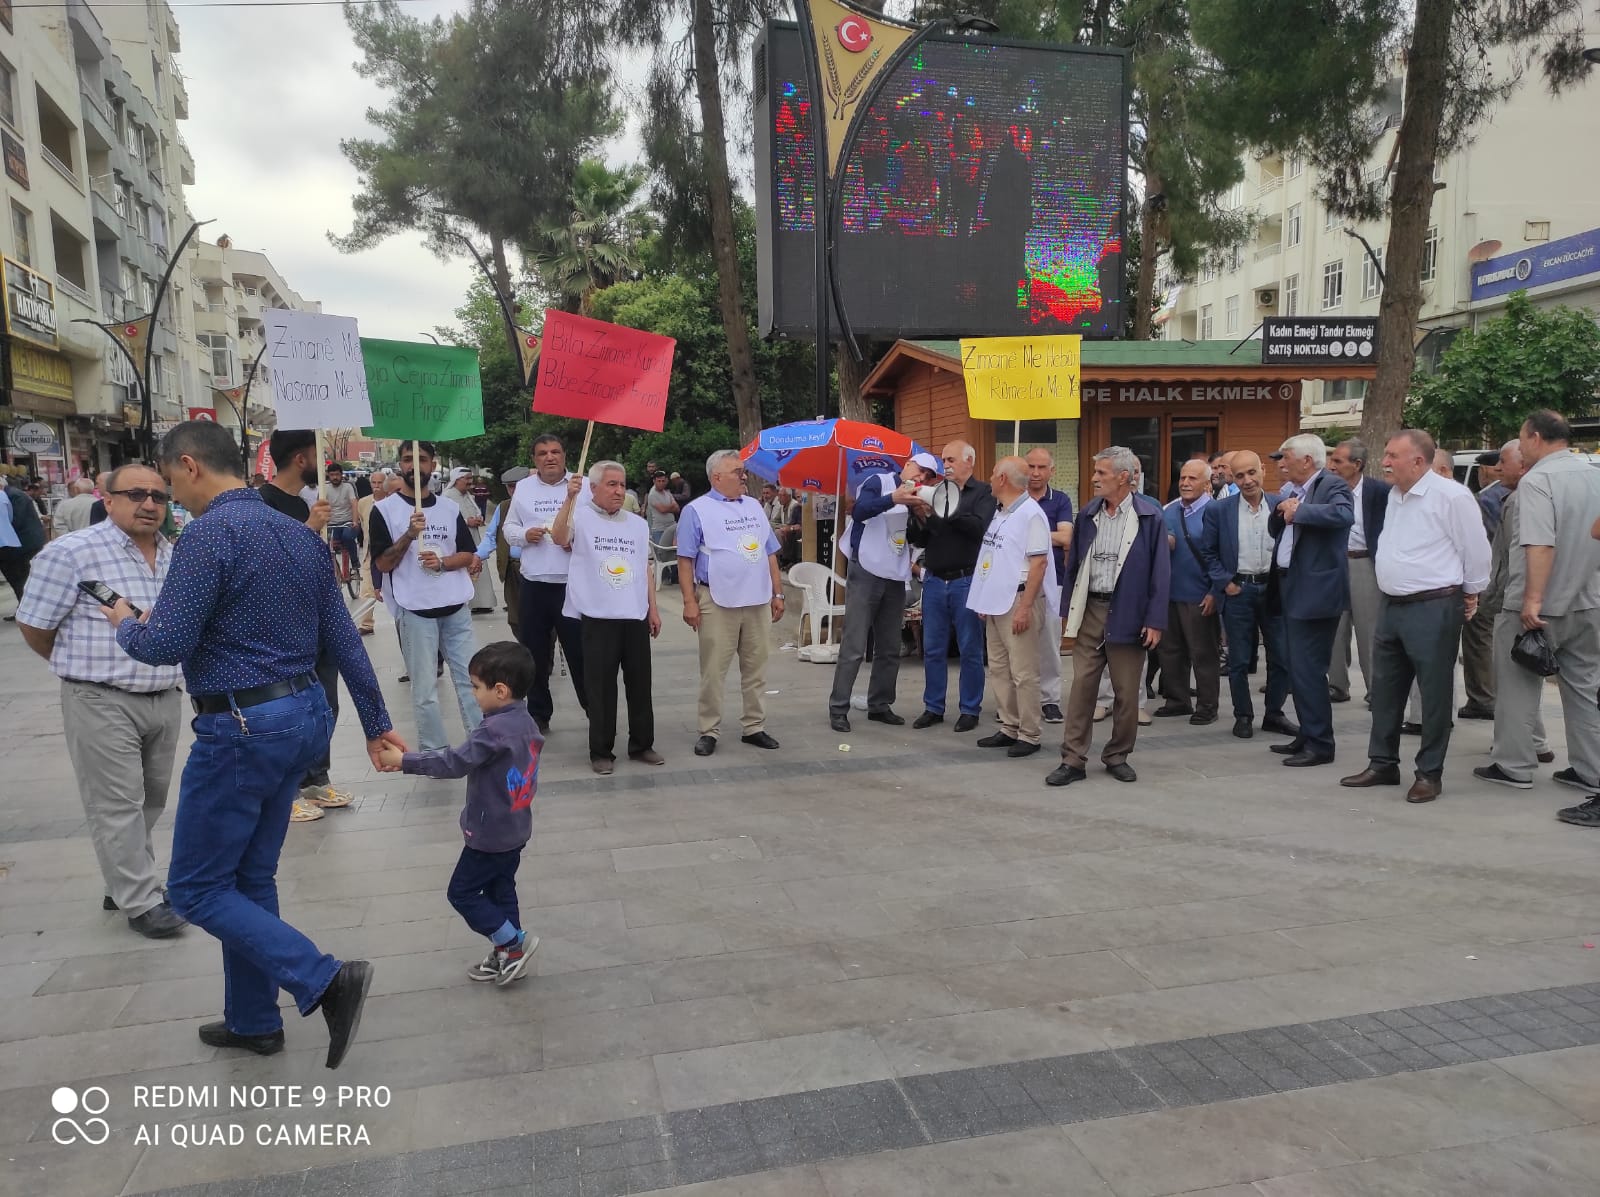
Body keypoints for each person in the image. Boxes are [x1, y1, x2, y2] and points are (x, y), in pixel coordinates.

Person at [109, 421, 399, 1067]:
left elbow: (164, 648)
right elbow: (345, 638)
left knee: (194, 889)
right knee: (248, 877)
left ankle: (322, 977)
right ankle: (253, 1018)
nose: (170, 499)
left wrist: (126, 623)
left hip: (242, 729)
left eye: (169, 483)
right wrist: (377, 722)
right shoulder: (300, 537)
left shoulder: (208, 534)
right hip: (302, 717)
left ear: (189, 465)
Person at [15, 464, 186, 937]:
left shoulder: (176, 554)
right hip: (100, 698)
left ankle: (125, 880)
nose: (149, 504)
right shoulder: (71, 553)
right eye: (135, 494)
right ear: (107, 500)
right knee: (117, 804)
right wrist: (80, 668)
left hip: (164, 694)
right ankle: (140, 900)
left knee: (150, 800)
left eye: (158, 496)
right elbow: (34, 625)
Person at [378, 641, 541, 984]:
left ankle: (510, 944)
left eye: (475, 687)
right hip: (515, 828)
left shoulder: (493, 731)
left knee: (462, 893)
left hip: (489, 833)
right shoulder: (524, 719)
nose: (471, 693)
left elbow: (453, 762)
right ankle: (509, 953)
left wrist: (403, 761)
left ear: (500, 690)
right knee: (501, 888)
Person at [1341, 431, 1489, 803]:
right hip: (1391, 605)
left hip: (1434, 606)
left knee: (1434, 693)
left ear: (1419, 461)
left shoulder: (1452, 497)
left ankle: (1429, 773)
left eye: (1393, 455)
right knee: (1386, 689)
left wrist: (1471, 592)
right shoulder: (1395, 495)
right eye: (1386, 454)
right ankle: (1383, 763)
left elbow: (1476, 550)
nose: (1385, 462)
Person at [1474, 410, 1600, 812]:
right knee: (1584, 687)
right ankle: (1589, 768)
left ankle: (1513, 765)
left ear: (1533, 437)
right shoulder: (1595, 473)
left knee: (1516, 685)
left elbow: (1539, 544)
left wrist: (1532, 600)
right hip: (1589, 600)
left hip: (1540, 605)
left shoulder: (1538, 481)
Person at [1049, 446, 1169, 786]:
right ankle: (1072, 759)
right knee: (1082, 689)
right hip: (1090, 612)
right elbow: (1073, 567)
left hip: (1130, 614)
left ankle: (1117, 755)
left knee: (1127, 693)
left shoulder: (1150, 517)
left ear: (1124, 477)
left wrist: (1155, 620)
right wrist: (1067, 612)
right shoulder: (1088, 514)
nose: (1094, 479)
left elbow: (1161, 573)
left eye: (1101, 473)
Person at [370, 441, 484, 752]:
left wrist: (444, 563)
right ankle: (434, 752)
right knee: (425, 690)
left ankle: (481, 745)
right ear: (400, 466)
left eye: (421, 459)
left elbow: (468, 555)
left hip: (455, 606)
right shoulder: (384, 511)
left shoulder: (448, 508)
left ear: (432, 466)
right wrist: (408, 535)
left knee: (472, 682)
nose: (414, 466)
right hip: (414, 609)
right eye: (408, 460)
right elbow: (382, 563)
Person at [258, 431, 349, 822]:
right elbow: (265, 564)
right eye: (319, 453)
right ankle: (286, 789)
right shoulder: (262, 504)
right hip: (284, 627)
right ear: (300, 458)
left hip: (319, 620)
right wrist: (309, 527)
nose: (325, 462)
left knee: (325, 704)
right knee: (293, 708)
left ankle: (316, 777)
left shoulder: (306, 501)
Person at [551, 461, 664, 774]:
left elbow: (645, 568)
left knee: (640, 684)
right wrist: (568, 499)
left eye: (622, 484)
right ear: (594, 488)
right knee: (600, 688)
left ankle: (642, 744)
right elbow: (559, 538)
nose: (618, 491)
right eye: (611, 484)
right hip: (597, 614)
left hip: (634, 613)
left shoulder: (637, 525)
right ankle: (601, 750)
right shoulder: (580, 516)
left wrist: (652, 609)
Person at [678, 450, 784, 756]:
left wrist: (778, 594)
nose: (743, 476)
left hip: (757, 598)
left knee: (756, 667)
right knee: (713, 670)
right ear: (716, 477)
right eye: (737, 471)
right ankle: (708, 730)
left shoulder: (754, 506)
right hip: (716, 599)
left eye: (743, 471)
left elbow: (770, 553)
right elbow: (685, 561)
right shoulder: (696, 510)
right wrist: (689, 601)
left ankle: (754, 726)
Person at [828, 453, 940, 732]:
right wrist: (894, 499)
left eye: (928, 477)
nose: (922, 478)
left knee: (889, 647)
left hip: (895, 574)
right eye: (921, 471)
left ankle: (880, 704)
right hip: (866, 569)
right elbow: (860, 510)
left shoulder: (919, 496)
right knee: (854, 645)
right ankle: (838, 708)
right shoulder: (878, 481)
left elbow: (920, 539)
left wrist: (920, 515)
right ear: (908, 465)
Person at [1267, 434, 1353, 767]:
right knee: (1295, 666)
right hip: (1289, 586)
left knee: (1308, 670)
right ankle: (1307, 733)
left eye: (1285, 457)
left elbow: (1343, 515)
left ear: (1307, 461)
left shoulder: (1331, 485)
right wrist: (1284, 511)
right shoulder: (1293, 490)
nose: (1281, 463)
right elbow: (1282, 529)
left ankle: (1320, 744)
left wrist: (1299, 510)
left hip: (1314, 592)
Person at [1199, 451, 1296, 741]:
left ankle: (1274, 714)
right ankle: (1243, 715)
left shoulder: (1282, 505)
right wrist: (1225, 582)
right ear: (1232, 477)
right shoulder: (1220, 510)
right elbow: (1208, 552)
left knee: (1282, 657)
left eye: (1252, 473)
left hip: (1274, 590)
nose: (1247, 480)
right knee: (1239, 660)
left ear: (1263, 471)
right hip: (1239, 590)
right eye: (1239, 475)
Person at [905, 440, 996, 732]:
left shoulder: (982, 493)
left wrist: (945, 508)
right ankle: (933, 706)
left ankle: (970, 709)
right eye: (943, 459)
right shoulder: (937, 491)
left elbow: (978, 528)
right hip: (934, 579)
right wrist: (920, 515)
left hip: (965, 579)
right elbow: (919, 540)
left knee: (970, 648)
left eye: (952, 459)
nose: (946, 464)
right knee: (932, 649)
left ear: (969, 461)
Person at [1476, 442, 1556, 768]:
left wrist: (1499, 599)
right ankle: (1537, 744)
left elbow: (1510, 560)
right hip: (1559, 598)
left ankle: (1514, 759)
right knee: (1531, 673)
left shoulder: (1519, 500)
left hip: (1517, 600)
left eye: (1503, 463)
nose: (1498, 469)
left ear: (1522, 465)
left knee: (1513, 681)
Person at [504, 434, 589, 734]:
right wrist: (524, 535)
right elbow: (508, 528)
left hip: (572, 584)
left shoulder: (584, 486)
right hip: (534, 583)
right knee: (534, 653)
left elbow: (596, 528)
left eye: (555, 452)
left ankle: (594, 710)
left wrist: (575, 540)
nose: (549, 457)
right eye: (542, 453)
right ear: (535, 459)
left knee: (581, 653)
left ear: (566, 456)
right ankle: (539, 713)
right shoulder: (524, 488)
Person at [968, 456, 1052, 757]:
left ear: (1003, 479)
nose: (989, 478)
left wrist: (1025, 607)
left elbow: (1039, 563)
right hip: (997, 601)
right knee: (1001, 669)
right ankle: (1009, 725)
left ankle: (1029, 734)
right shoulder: (1002, 513)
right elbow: (993, 559)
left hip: (1018, 600)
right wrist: (982, 597)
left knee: (1023, 672)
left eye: (992, 473)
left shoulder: (1031, 514)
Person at [1326, 439, 1391, 707]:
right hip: (1334, 563)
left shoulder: (1379, 492)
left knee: (1369, 630)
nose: (1332, 466)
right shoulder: (1326, 489)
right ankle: (1336, 685)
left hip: (1365, 562)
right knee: (1334, 628)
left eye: (1338, 461)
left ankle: (1377, 689)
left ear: (1357, 465)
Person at [1156, 458, 1221, 725]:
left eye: (1192, 479)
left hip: (1200, 595)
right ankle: (1177, 700)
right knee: (1170, 651)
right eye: (1182, 478)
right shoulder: (1170, 511)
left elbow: (1225, 555)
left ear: (1207, 484)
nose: (1184, 483)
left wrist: (1215, 592)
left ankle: (1207, 706)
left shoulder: (1217, 512)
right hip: (1170, 594)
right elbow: (1167, 543)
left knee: (1203, 653)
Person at [1457, 449, 1507, 722]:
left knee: (1478, 640)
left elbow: (1482, 542)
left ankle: (1482, 698)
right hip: (1509, 578)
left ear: (1489, 470)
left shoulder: (1486, 498)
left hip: (1488, 578)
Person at [1024, 448, 1073, 724]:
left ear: (1051, 471)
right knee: (1018, 646)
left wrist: (1027, 535)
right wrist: (1047, 536)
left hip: (1053, 581)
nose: (1035, 472)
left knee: (1050, 644)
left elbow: (1066, 537)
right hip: (1018, 581)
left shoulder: (1061, 500)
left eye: (1042, 467)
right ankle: (1020, 699)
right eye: (1030, 466)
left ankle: (1050, 700)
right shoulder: (1014, 499)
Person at [481, 465, 529, 634]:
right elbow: (490, 537)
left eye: (518, 485)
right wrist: (476, 557)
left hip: (536, 570)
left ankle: (542, 657)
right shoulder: (503, 507)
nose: (514, 490)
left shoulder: (539, 505)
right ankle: (526, 650)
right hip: (512, 570)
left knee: (540, 619)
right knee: (515, 619)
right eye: (510, 486)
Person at [444, 467, 497, 615]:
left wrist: (478, 519)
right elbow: (446, 519)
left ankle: (482, 602)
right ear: (457, 480)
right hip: (458, 541)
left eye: (470, 478)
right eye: (466, 479)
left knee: (477, 567)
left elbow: (475, 512)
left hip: (474, 537)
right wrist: (467, 522)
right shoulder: (448, 496)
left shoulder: (467, 496)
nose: (470, 482)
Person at [354, 470, 399, 635]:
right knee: (367, 590)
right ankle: (366, 625)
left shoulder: (393, 503)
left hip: (391, 554)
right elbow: (362, 525)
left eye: (380, 483)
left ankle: (403, 622)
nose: (377, 486)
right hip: (369, 553)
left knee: (397, 590)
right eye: (374, 483)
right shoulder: (363, 503)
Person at [1, 474, 47, 616]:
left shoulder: (14, 496)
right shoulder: (10, 494)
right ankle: (24, 608)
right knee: (18, 578)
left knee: (21, 577)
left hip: (24, 544)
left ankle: (28, 611)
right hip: (18, 544)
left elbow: (15, 520)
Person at [322, 462, 361, 584]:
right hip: (331, 523)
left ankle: (355, 565)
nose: (335, 477)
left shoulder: (348, 486)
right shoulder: (324, 488)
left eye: (337, 475)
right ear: (328, 475)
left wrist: (355, 521)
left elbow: (354, 503)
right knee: (325, 544)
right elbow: (321, 505)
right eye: (332, 475)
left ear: (341, 475)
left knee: (347, 537)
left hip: (348, 522)